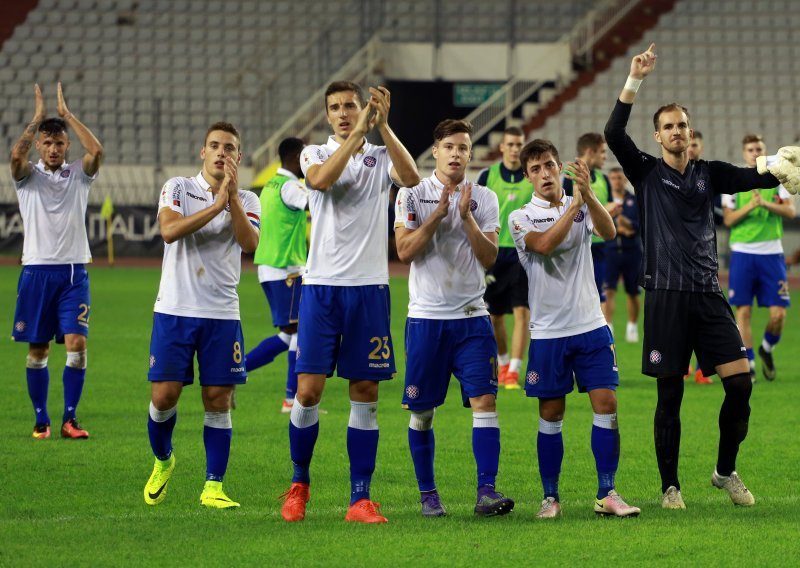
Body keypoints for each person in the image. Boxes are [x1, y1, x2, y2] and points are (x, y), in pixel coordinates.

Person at [604, 43, 792, 509]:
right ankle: (671, 487)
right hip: (666, 296)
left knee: (741, 385)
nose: (676, 132)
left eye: (682, 125)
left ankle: (725, 471)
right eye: (668, 126)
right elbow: (612, 132)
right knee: (670, 397)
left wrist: (782, 167)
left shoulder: (710, 173)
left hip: (709, 296)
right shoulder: (644, 172)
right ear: (657, 136)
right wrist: (634, 79)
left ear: (690, 133)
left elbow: (757, 177)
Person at [279, 81, 420, 524]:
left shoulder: (379, 157)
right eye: (336, 108)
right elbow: (320, 182)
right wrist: (359, 131)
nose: (343, 113)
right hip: (322, 288)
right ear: (327, 115)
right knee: (308, 390)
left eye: (351, 106)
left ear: (365, 108)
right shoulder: (313, 154)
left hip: (370, 288)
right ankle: (299, 484)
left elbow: (412, 178)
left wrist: (385, 128)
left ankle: (360, 498)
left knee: (366, 393)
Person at [509, 139, 640, 519]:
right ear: (528, 177)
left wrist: (586, 197)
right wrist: (576, 207)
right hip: (549, 332)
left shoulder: (578, 203)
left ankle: (607, 492)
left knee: (607, 404)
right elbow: (545, 246)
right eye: (536, 169)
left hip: (591, 325)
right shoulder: (521, 217)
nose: (545, 173)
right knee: (551, 412)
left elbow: (610, 231)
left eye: (549, 165)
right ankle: (550, 497)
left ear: (558, 167)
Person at [394, 119, 514, 518]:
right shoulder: (411, 195)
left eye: (464, 147)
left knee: (485, 400)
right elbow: (405, 251)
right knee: (423, 413)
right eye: (450, 146)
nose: (457, 154)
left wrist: (465, 218)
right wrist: (438, 216)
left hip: (472, 318)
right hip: (427, 319)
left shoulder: (485, 198)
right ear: (436, 151)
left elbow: (490, 257)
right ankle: (428, 494)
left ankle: (487, 491)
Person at [143, 122, 260, 509]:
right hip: (175, 309)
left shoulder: (249, 198)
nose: (221, 152)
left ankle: (213, 485)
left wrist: (233, 202)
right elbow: (169, 231)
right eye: (214, 146)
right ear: (202, 152)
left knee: (218, 399)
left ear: (238, 157)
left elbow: (250, 244)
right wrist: (215, 206)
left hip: (222, 314)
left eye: (229, 147)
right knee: (163, 398)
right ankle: (164, 459)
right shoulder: (178, 187)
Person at [10, 83, 103, 440]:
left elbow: (96, 149)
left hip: (73, 272)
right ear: (38, 145)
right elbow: (15, 160)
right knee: (39, 350)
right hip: (35, 271)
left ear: (67, 146)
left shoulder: (78, 174)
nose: (53, 149)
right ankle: (40, 419)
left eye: (59, 143)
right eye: (47, 143)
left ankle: (69, 418)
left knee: (77, 344)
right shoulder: (27, 177)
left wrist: (67, 116)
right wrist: (35, 120)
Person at [723, 134, 795, 382]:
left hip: (772, 254)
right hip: (743, 253)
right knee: (743, 311)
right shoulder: (732, 181)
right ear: (744, 153)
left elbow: (790, 210)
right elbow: (729, 219)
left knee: (778, 314)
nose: (755, 152)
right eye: (751, 149)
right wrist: (752, 206)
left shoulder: (778, 178)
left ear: (765, 152)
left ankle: (767, 348)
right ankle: (750, 362)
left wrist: (764, 204)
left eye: (759, 149)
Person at [245, 137, 308, 413]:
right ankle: (290, 400)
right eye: (306, 157)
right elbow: (314, 203)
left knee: (288, 335)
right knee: (298, 332)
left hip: (269, 268)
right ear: (296, 158)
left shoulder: (270, 184)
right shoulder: (292, 187)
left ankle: (237, 369)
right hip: (287, 270)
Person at [476, 126, 534, 389]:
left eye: (518, 144)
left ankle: (514, 370)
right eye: (510, 144)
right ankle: (502, 363)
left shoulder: (531, 176)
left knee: (523, 311)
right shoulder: (488, 176)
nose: (514, 148)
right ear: (501, 147)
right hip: (495, 253)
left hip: (523, 253)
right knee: (495, 315)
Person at [563, 133, 615, 328]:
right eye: (602, 152)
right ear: (590, 151)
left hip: (600, 246)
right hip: (576, 246)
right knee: (574, 296)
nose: (605, 157)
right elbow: (567, 211)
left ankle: (602, 335)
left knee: (599, 293)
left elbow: (608, 209)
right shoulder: (569, 178)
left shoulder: (603, 179)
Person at [604, 167, 642, 344]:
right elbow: (601, 226)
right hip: (610, 251)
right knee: (608, 290)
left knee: (633, 293)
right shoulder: (605, 200)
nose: (616, 181)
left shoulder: (634, 200)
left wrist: (623, 221)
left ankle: (632, 326)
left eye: (619, 178)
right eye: (613, 178)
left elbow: (639, 226)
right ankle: (608, 326)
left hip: (632, 252)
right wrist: (621, 230)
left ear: (624, 180)